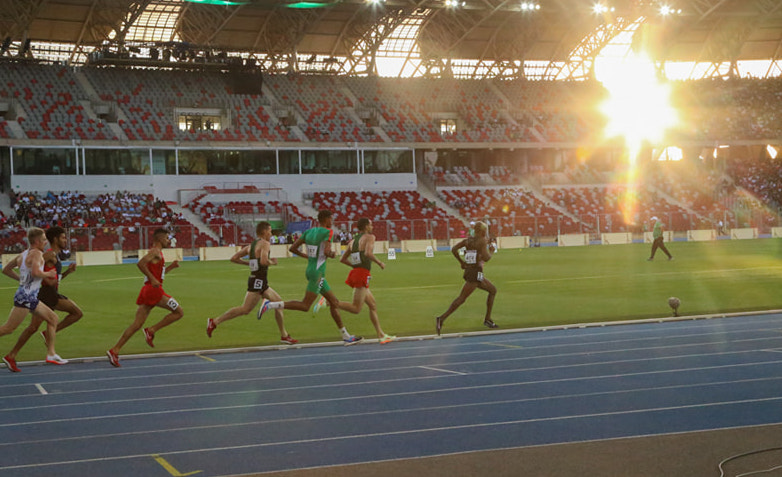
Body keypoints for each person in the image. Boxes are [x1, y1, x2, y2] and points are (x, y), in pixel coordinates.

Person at [259, 210, 363, 346]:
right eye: (331, 219)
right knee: (305, 306)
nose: (332, 222)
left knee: (334, 302)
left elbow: (293, 248)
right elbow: (326, 251)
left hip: (311, 270)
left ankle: (346, 335)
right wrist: (331, 254)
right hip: (318, 274)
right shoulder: (328, 232)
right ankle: (271, 304)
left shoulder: (308, 232)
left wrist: (307, 256)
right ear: (326, 219)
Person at [3, 226, 83, 372]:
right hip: (28, 296)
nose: (45, 243)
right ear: (38, 240)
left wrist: (22, 281)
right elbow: (35, 272)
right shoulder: (39, 254)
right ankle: (47, 353)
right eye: (44, 240)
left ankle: (50, 353)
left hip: (28, 295)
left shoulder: (23, 254)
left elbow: (5, 269)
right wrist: (48, 275)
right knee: (9, 328)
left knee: (52, 319)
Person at [207, 221, 298, 345]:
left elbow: (233, 258)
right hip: (258, 282)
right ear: (264, 232)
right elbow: (265, 261)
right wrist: (273, 262)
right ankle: (214, 322)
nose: (271, 234)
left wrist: (248, 263)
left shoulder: (250, 246)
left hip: (258, 280)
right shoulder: (265, 244)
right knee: (245, 309)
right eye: (270, 231)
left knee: (278, 304)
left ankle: (284, 335)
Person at [106, 228, 183, 367]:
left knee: (136, 324)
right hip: (154, 291)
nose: (168, 241)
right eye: (166, 238)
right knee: (178, 312)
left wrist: (171, 267)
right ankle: (151, 330)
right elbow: (140, 263)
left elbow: (160, 275)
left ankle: (115, 350)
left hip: (148, 289)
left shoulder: (157, 253)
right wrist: (152, 278)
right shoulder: (155, 251)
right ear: (159, 239)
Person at [335, 218, 395, 344]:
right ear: (366, 226)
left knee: (372, 305)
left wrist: (355, 266)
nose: (372, 226)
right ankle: (330, 302)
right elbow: (368, 253)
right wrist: (379, 263)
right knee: (356, 308)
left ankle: (381, 335)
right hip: (362, 274)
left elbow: (342, 259)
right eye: (371, 224)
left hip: (356, 272)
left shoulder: (352, 241)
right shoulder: (370, 237)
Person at [436, 221, 498, 335]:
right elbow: (487, 258)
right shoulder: (481, 241)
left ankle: (488, 319)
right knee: (462, 298)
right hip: (475, 273)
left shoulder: (468, 240)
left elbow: (454, 249)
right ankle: (441, 318)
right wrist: (492, 251)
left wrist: (461, 262)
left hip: (472, 271)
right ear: (483, 231)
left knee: (492, 290)